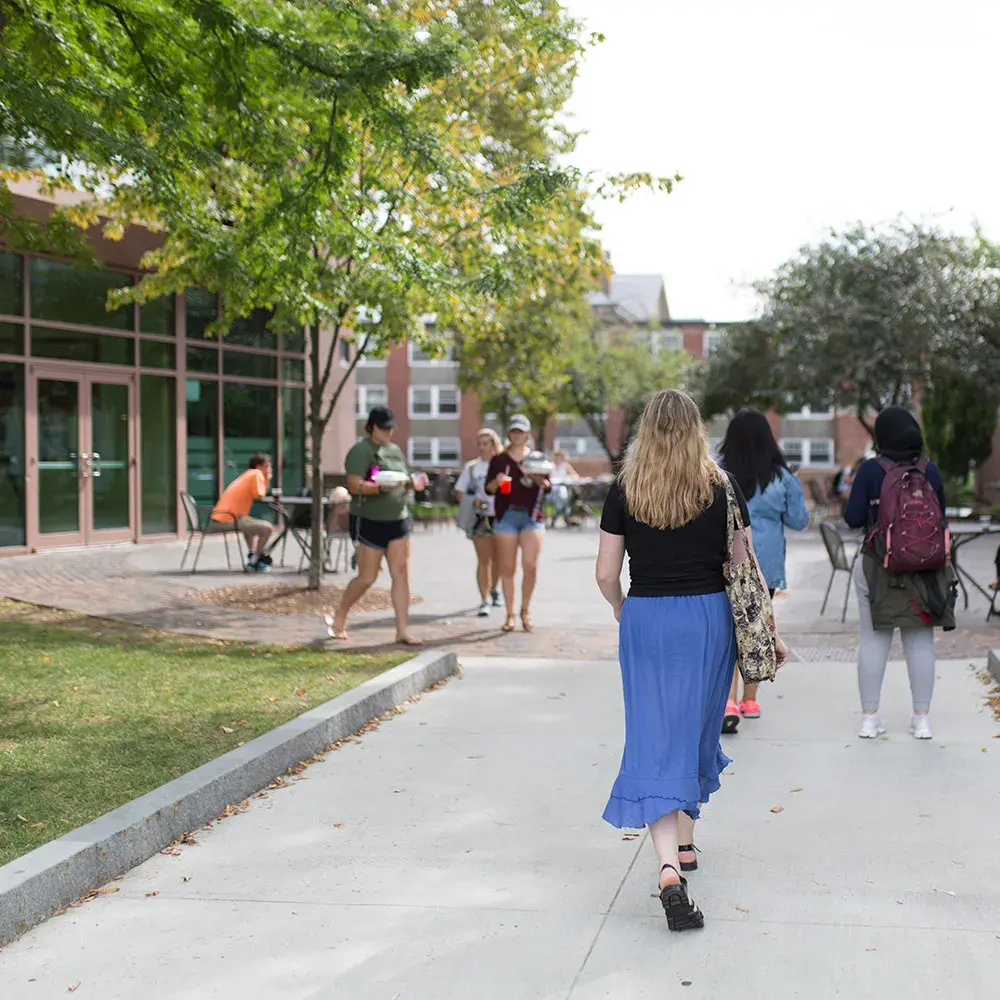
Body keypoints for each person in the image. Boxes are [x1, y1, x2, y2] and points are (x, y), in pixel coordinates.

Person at [596, 389, 787, 931]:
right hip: (707, 619)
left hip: (648, 617)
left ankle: (670, 860)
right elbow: (742, 562)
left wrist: (619, 608)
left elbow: (607, 573)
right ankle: (679, 851)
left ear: (645, 432)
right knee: (696, 734)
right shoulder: (721, 486)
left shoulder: (626, 489)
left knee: (655, 737)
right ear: (698, 431)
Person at [844, 406, 947, 740]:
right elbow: (941, 517)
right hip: (924, 568)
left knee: (874, 640)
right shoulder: (929, 471)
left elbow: (852, 518)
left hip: (877, 565)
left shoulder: (870, 471)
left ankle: (870, 719)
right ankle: (922, 720)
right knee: (920, 641)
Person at [718, 410, 809, 730]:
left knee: (727, 628)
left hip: (722, 554)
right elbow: (800, 520)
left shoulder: (716, 469)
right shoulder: (782, 476)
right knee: (756, 625)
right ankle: (750, 699)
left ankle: (727, 701)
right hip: (764, 562)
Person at [327, 406, 426, 645]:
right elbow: (353, 485)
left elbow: (403, 480)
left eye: (391, 427)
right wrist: (381, 488)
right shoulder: (360, 451)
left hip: (398, 520)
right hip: (370, 521)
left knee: (401, 574)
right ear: (371, 426)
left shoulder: (395, 450)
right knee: (367, 577)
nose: (389, 432)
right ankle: (340, 615)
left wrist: (414, 483)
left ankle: (402, 630)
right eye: (384, 428)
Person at [485, 414, 551, 633]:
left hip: (532, 516)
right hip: (507, 516)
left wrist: (536, 478)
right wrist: (497, 482)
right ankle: (510, 614)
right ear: (509, 434)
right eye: (514, 431)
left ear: (527, 435)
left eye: (521, 431)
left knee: (530, 566)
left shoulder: (538, 458)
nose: (517, 435)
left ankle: (526, 610)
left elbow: (547, 486)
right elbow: (488, 489)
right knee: (507, 568)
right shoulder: (499, 460)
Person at [455, 428, 503, 617]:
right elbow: (459, 492)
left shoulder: (502, 465)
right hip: (480, 518)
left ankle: (494, 589)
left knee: (499, 559)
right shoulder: (472, 468)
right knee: (484, 560)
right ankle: (484, 600)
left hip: (501, 516)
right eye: (480, 444)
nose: (482, 448)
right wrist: (474, 500)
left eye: (486, 443)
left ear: (494, 445)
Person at [210, 452, 274, 570]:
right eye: (268, 466)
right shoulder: (256, 474)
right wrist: (267, 479)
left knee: (247, 521)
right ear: (259, 466)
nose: (270, 469)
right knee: (267, 529)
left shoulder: (247, 474)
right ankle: (255, 560)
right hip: (229, 519)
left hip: (221, 517)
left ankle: (252, 553)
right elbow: (259, 495)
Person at [549, 449, 579, 527]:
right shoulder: (550, 465)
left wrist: (569, 478)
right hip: (552, 488)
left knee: (564, 497)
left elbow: (575, 476)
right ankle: (566, 517)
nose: (559, 459)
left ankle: (556, 516)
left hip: (563, 487)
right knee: (562, 499)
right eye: (558, 457)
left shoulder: (565, 465)